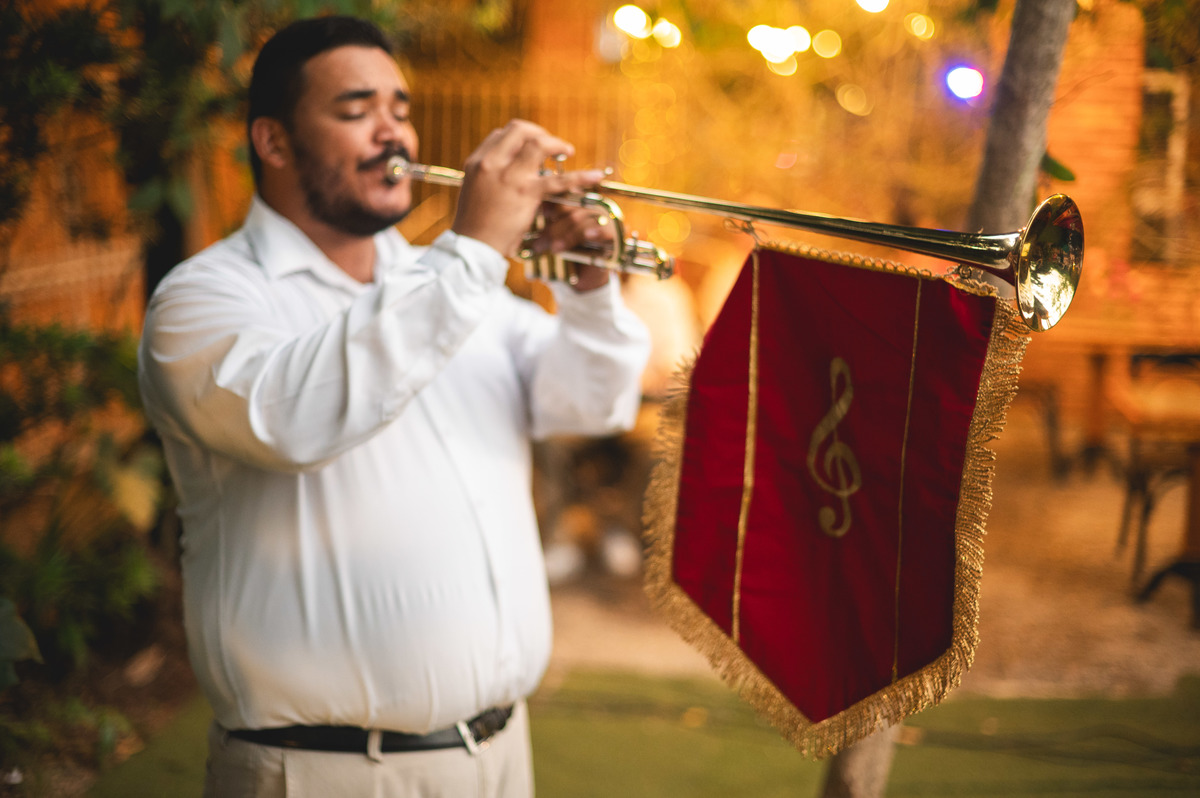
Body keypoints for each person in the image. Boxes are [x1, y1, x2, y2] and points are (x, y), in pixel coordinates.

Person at [137, 15, 649, 797]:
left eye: (401, 109)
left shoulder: (450, 286)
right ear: (273, 142)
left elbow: (590, 406)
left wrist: (586, 293)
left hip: (502, 757)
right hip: (322, 771)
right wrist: (474, 248)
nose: (395, 134)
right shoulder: (205, 300)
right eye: (356, 111)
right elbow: (295, 420)